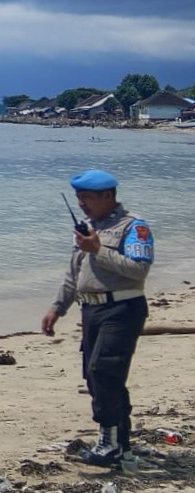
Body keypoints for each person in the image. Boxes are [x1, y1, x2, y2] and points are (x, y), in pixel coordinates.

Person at [41, 169, 154, 468]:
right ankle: (118, 444)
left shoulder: (134, 226)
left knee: (104, 370)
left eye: (87, 198)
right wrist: (57, 308)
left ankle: (110, 444)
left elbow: (138, 270)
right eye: (78, 198)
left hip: (122, 308)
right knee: (96, 377)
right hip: (91, 309)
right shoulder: (86, 228)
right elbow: (73, 273)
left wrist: (98, 250)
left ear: (108, 196)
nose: (81, 204)